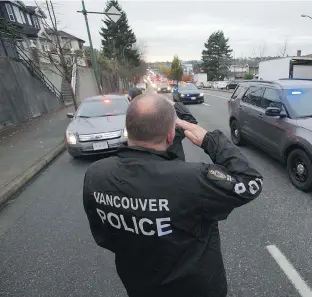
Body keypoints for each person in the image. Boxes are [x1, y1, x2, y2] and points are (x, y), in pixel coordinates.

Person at [82, 92, 263, 297]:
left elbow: (104, 236)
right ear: (170, 135)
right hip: (197, 289)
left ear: (127, 130)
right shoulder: (193, 180)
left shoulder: (97, 174)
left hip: (139, 285)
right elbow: (251, 182)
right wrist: (209, 140)